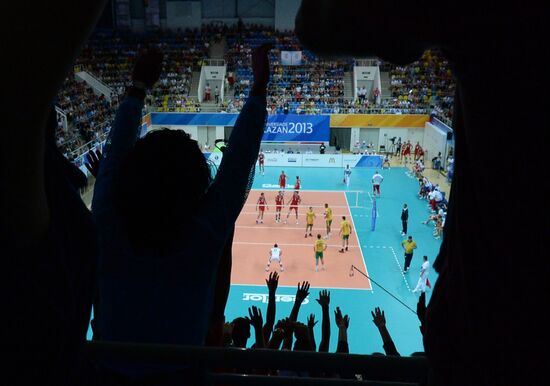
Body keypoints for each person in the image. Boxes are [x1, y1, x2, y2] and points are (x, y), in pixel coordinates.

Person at [92, 44, 272, 359]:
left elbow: (113, 158)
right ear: (198, 189)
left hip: (107, 372)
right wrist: (258, 87)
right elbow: (240, 157)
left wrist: (137, 88)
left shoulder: (107, 221)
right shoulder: (203, 236)